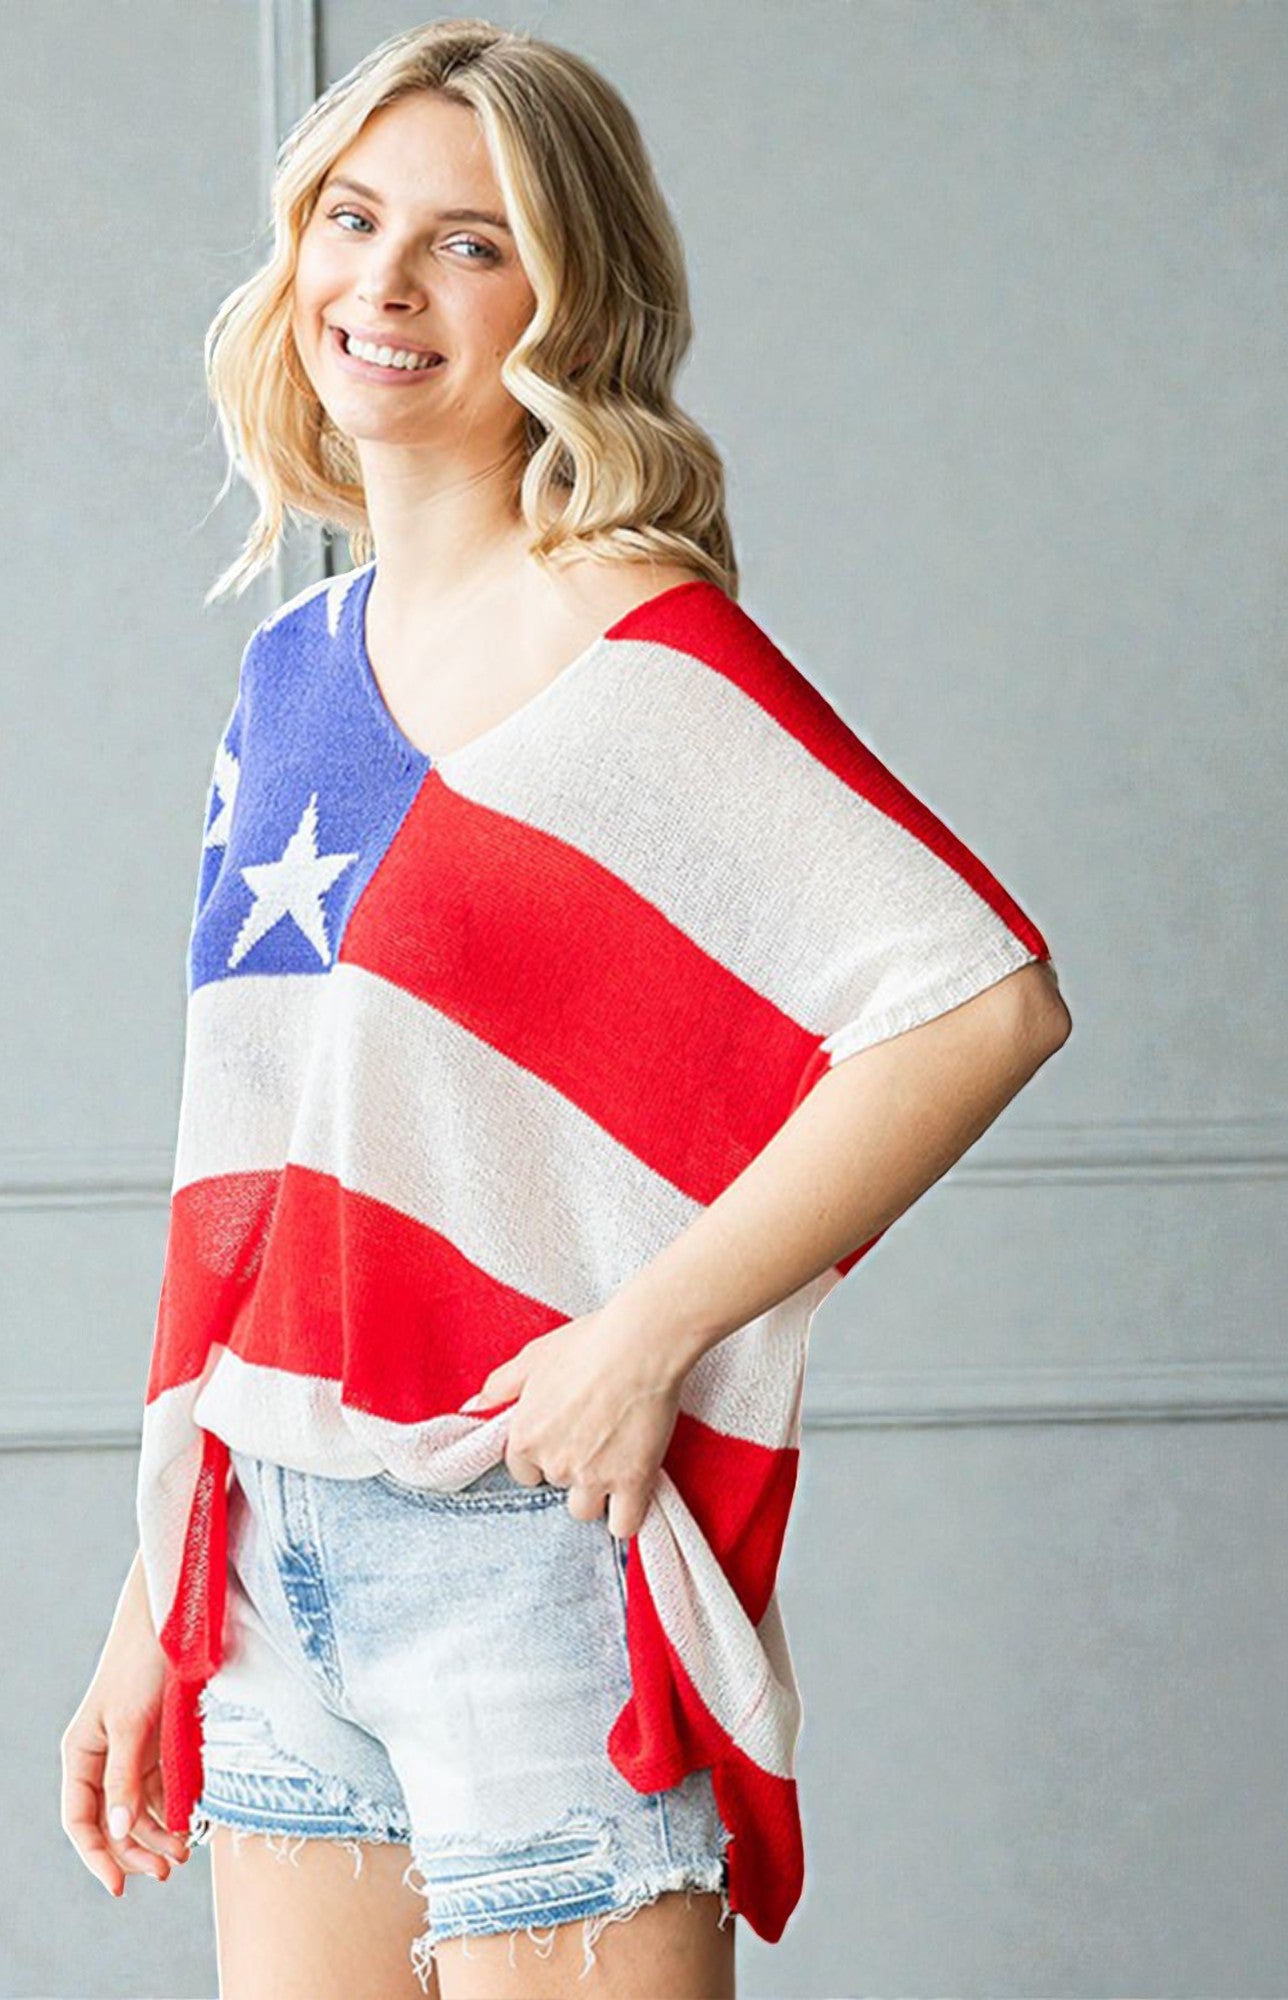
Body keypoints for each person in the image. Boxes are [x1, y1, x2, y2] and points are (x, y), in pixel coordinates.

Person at [60, 19, 1071, 1999]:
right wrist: (148, 1596)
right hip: (265, 1557)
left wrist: (646, 1333)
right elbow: (259, 1178)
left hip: (515, 1558)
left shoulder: (627, 640)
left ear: (564, 294)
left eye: (467, 241)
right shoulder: (292, 669)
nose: (384, 283)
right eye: (351, 221)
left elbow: (976, 1005)